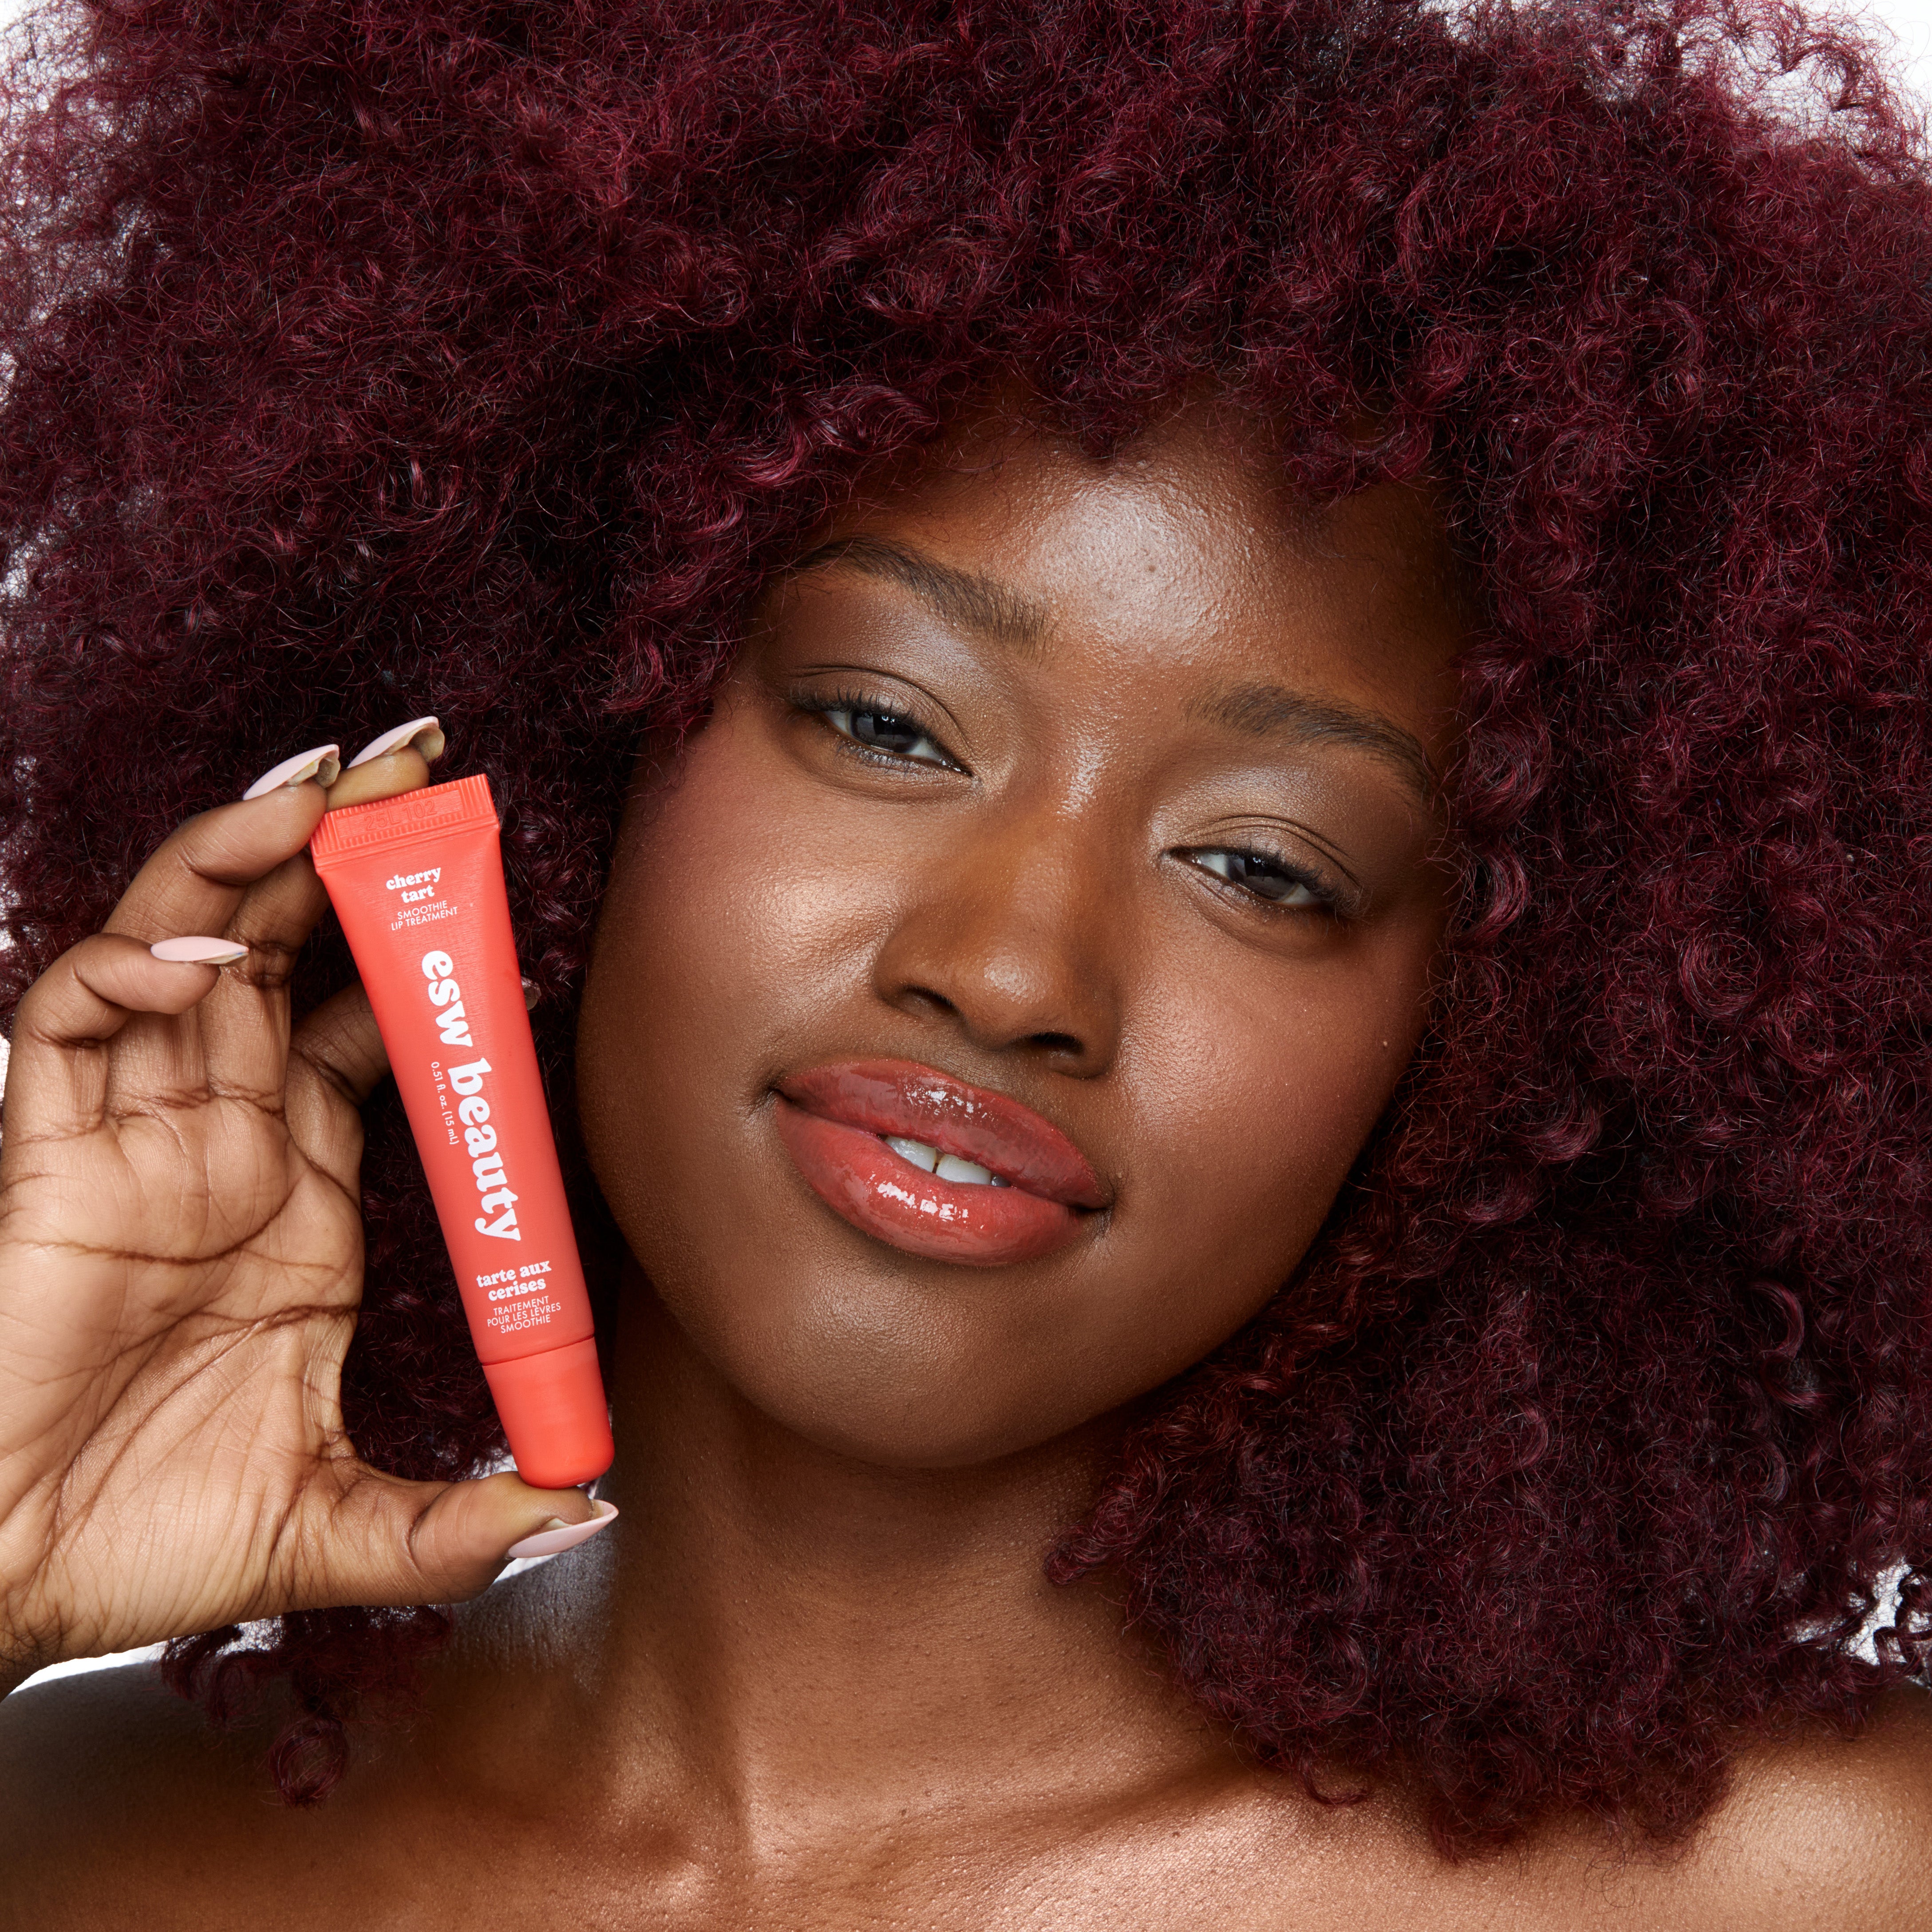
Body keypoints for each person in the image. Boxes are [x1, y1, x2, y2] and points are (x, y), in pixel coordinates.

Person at [1, 0, 1928, 1921]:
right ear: (573, 748)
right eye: (886, 724)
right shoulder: (61, 1841)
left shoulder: (1815, 1881)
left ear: (1491, 1047)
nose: (1010, 973)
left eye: (1262, 866)